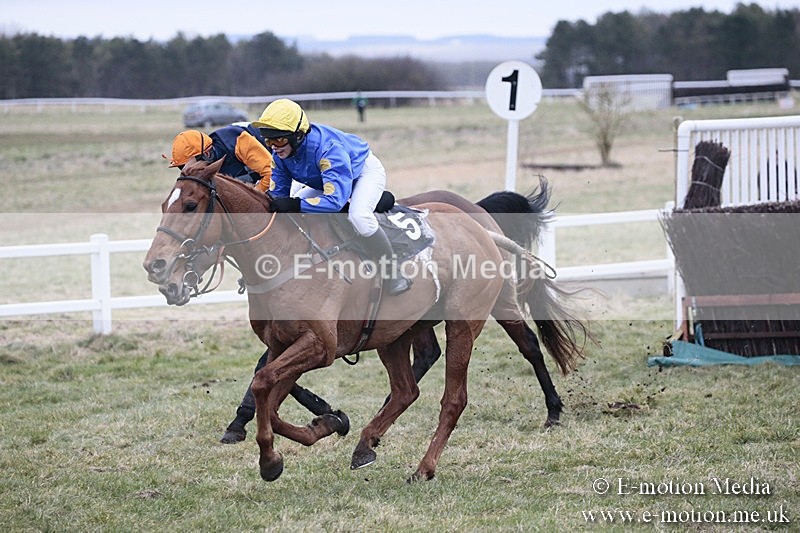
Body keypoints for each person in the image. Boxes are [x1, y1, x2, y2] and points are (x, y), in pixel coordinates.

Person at [251, 98, 411, 296]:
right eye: (268, 140)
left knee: (359, 216)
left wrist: (295, 204)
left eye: (280, 139)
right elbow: (278, 197)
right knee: (295, 203)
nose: (274, 146)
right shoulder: (279, 157)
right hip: (322, 180)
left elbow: (334, 201)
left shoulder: (328, 149)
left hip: (362, 173)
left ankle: (393, 272)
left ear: (298, 136)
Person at [166, 124, 273, 192]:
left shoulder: (239, 142)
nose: (186, 171)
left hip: (280, 162)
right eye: (181, 167)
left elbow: (272, 174)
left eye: (187, 166)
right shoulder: (208, 157)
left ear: (207, 155)